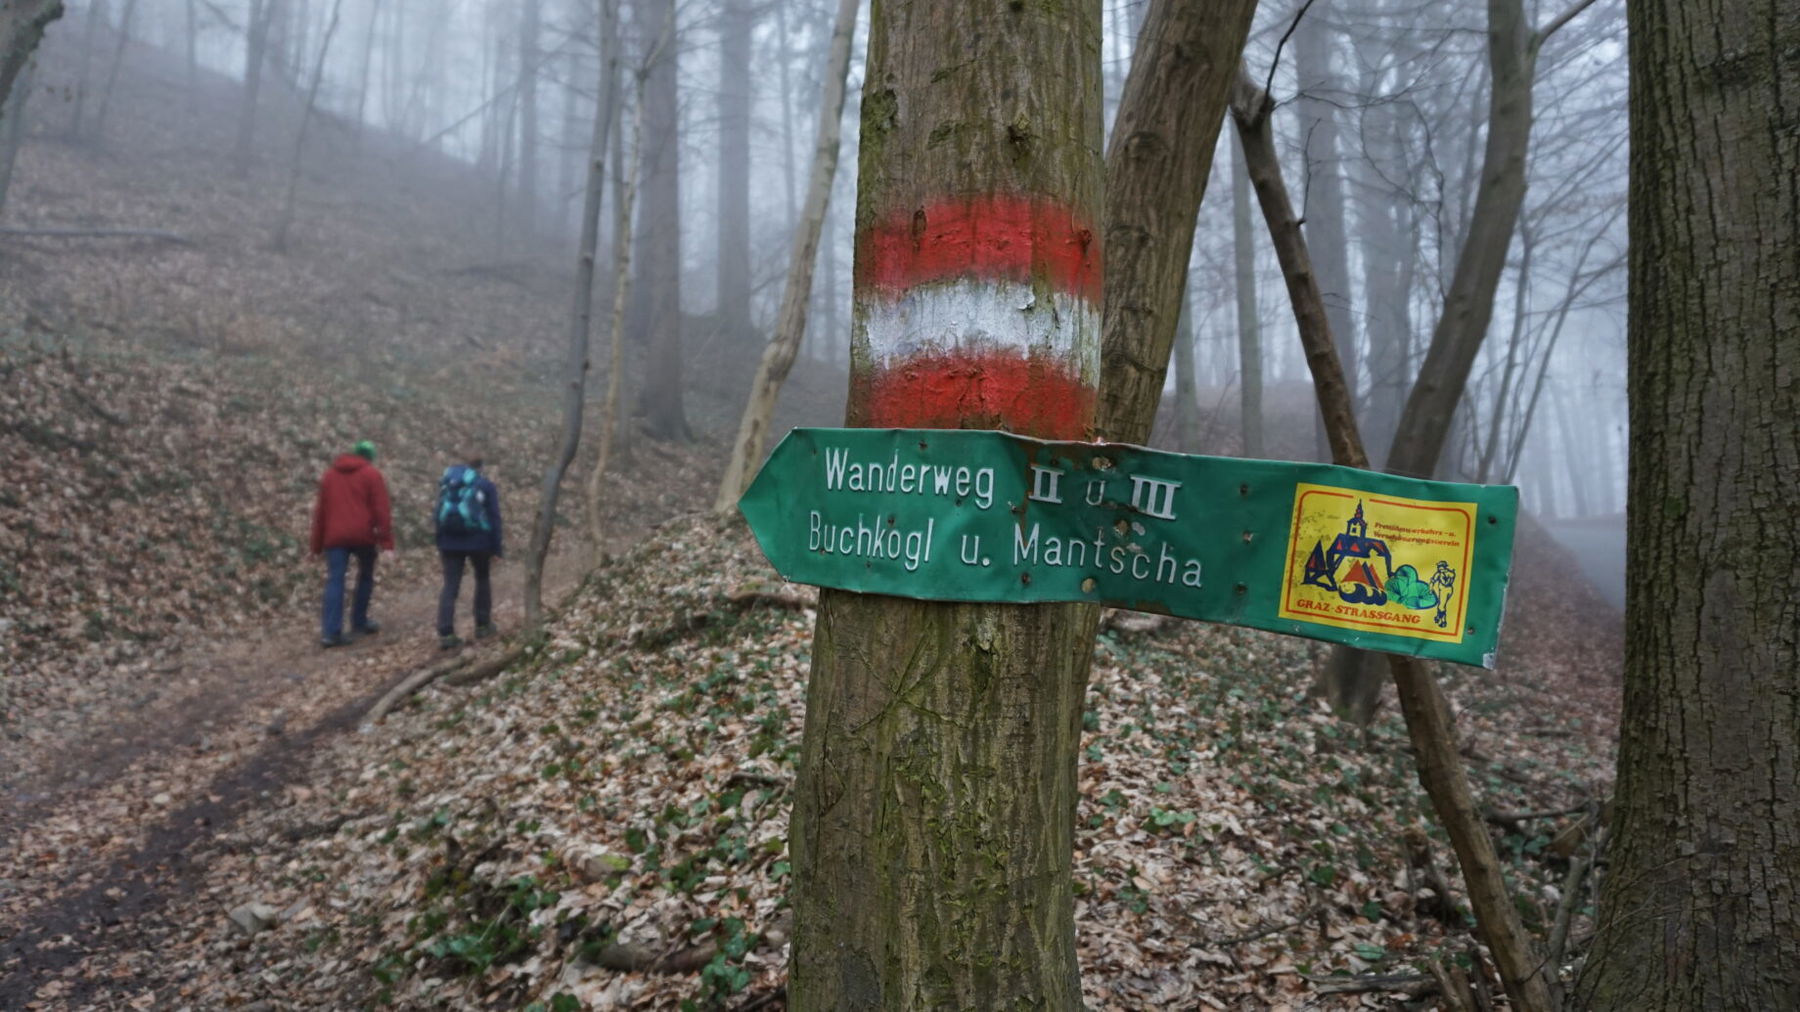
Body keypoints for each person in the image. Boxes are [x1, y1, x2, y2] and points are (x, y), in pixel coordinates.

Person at [309, 440, 395, 648]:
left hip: (334, 536)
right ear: (370, 457)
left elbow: (321, 513)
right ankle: (359, 620)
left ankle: (331, 633)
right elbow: (381, 510)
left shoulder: (330, 475)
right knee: (365, 575)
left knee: (335, 580)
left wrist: (315, 546)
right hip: (363, 535)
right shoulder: (372, 474)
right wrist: (387, 543)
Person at [434, 453, 503, 649]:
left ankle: (446, 633)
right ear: (480, 467)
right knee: (482, 578)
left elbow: (437, 513)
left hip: (449, 543)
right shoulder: (485, 485)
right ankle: (483, 625)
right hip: (479, 542)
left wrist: (440, 540)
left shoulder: (448, 484)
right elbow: (494, 517)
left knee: (450, 585)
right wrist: (496, 548)